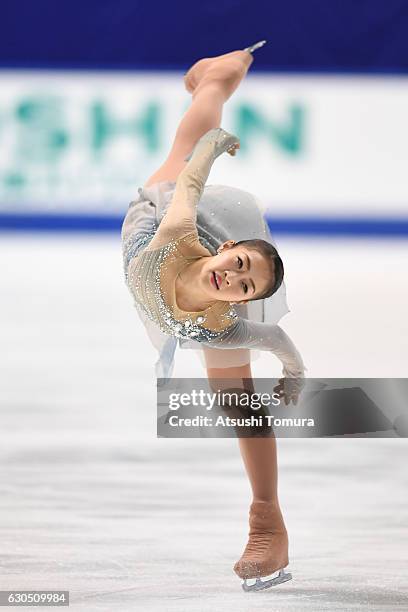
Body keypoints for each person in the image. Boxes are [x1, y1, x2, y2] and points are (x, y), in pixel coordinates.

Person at [121, 41, 305, 591]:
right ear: (226, 253)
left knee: (237, 400)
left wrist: (293, 378)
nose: (235, 278)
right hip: (162, 222)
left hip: (191, 301)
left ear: (239, 300)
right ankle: (219, 76)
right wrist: (215, 144)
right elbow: (192, 184)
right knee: (186, 143)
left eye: (245, 286)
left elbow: (274, 336)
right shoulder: (177, 234)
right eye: (239, 264)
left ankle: (267, 519)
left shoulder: (225, 321)